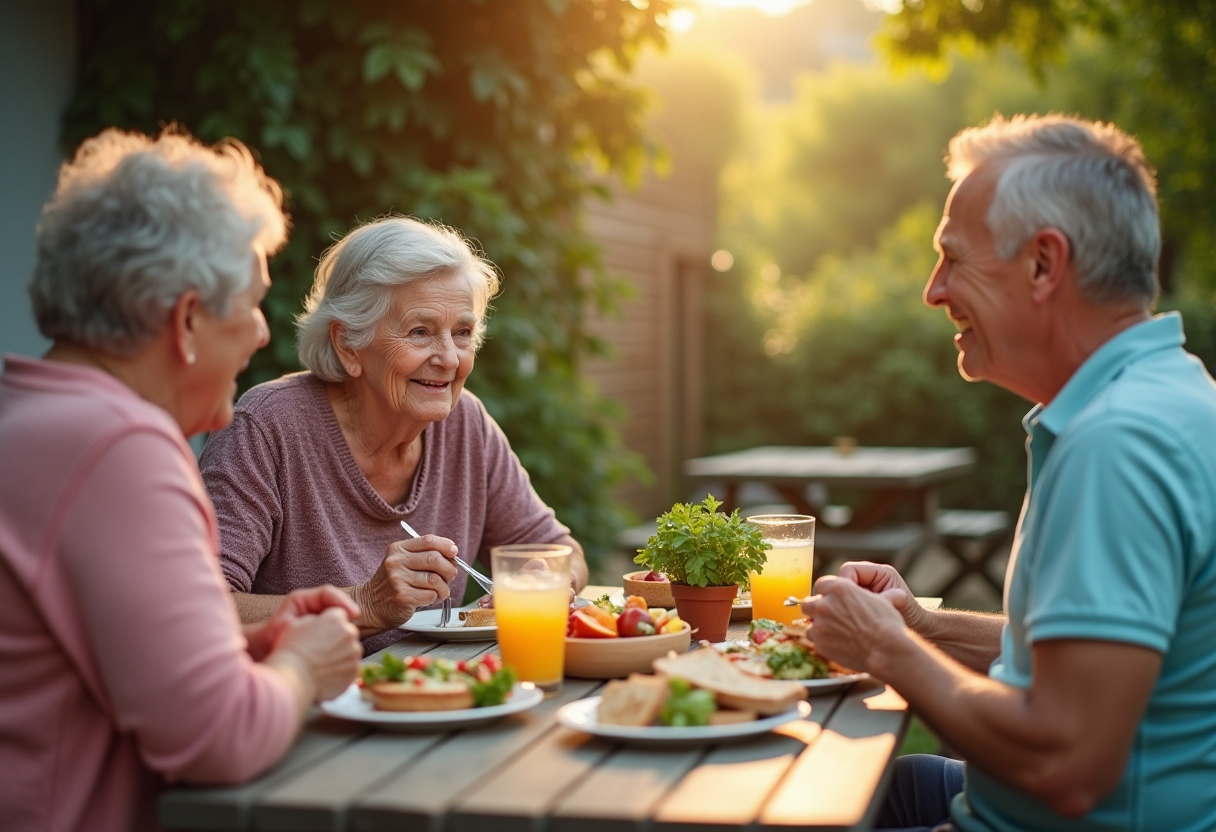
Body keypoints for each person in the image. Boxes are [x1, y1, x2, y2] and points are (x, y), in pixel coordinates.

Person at [802, 114, 1216, 832]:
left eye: (953, 259)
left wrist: (886, 649)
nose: (933, 291)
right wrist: (924, 626)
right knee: (841, 784)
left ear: (1043, 264)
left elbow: (1066, 764)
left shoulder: (1120, 443)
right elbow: (1085, 657)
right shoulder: (1162, 397)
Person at [0, 129, 363, 831]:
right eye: (253, 303)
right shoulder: (119, 447)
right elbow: (219, 740)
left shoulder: (31, 413)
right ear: (188, 318)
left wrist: (249, 650)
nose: (263, 333)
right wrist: (303, 670)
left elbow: (93, 669)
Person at [199, 215, 587, 653]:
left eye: (462, 333)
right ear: (348, 344)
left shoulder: (466, 425)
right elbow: (201, 609)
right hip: (298, 706)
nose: (449, 358)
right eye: (420, 332)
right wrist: (364, 604)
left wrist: (547, 577)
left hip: (436, 697)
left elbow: (558, 548)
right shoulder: (267, 427)